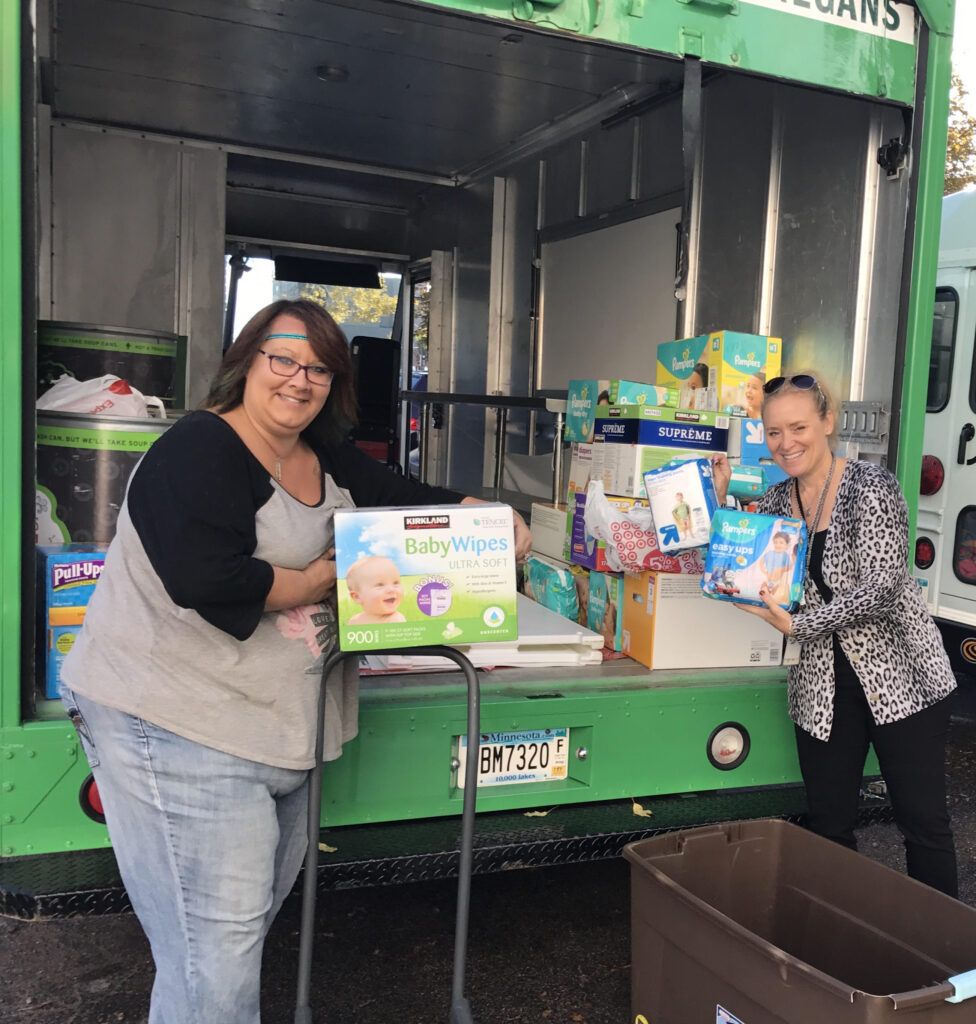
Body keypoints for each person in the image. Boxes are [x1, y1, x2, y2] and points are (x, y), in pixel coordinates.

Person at [58, 298, 531, 1023]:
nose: (299, 380)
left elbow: (395, 497)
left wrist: (487, 516)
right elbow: (206, 579)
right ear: (247, 361)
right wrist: (318, 580)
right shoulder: (200, 446)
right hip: (181, 722)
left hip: (280, 731)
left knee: (231, 938)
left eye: (319, 368)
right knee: (212, 956)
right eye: (283, 359)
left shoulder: (322, 453)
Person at [711, 372, 958, 897]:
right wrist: (715, 505)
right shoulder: (779, 502)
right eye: (774, 432)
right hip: (822, 688)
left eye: (798, 427)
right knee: (828, 826)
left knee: (922, 823)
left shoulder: (872, 487)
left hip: (904, 679)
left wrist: (801, 624)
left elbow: (883, 589)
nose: (786, 443)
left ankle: (950, 962)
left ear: (827, 422)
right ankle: (842, 938)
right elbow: (727, 572)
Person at [346, 555, 406, 624]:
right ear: (357, 597)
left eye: (396, 583)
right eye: (380, 585)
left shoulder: (395, 620)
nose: (391, 589)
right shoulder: (354, 621)